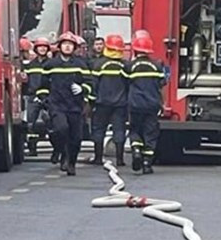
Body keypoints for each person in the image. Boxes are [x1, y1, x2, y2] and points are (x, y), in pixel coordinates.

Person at [35, 32, 92, 176]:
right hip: (57, 105)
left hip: (75, 106)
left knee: (76, 137)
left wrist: (82, 89)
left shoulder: (80, 65)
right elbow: (42, 85)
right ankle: (63, 155)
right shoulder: (50, 65)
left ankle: (72, 162)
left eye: (70, 44)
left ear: (74, 47)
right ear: (59, 47)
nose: (67, 47)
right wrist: (44, 98)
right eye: (65, 44)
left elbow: (90, 83)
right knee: (61, 129)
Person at [126, 34, 166, 175]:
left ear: (135, 51)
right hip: (152, 104)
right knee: (150, 133)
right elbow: (162, 83)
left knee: (135, 130)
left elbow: (125, 83)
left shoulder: (130, 66)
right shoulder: (157, 66)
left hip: (135, 104)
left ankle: (136, 151)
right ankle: (147, 163)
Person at [87, 35, 129, 166]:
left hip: (102, 103)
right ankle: (120, 159)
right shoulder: (125, 66)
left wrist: (91, 102)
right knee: (119, 130)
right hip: (120, 104)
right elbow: (129, 85)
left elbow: (93, 85)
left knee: (99, 130)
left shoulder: (98, 64)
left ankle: (98, 158)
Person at [24, 38, 53, 158]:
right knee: (31, 124)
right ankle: (32, 148)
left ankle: (57, 149)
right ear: (36, 49)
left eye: (45, 47)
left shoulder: (52, 64)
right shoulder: (31, 65)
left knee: (52, 123)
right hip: (33, 97)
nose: (42, 49)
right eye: (40, 47)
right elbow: (26, 81)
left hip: (49, 97)